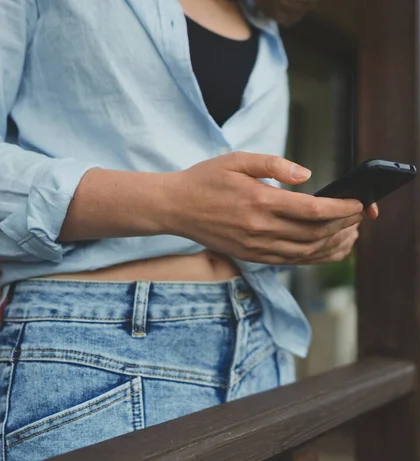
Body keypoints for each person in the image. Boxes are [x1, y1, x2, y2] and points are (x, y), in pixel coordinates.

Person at [0, 0, 377, 459]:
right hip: (94, 344)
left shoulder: (262, 20)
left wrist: (295, 235)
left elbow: (236, 202)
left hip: (258, 339)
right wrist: (171, 204)